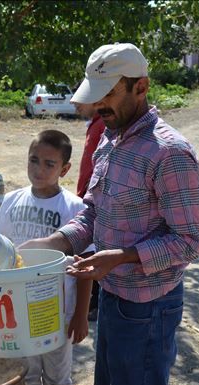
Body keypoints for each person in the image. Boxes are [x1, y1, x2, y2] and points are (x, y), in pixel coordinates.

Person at [20, 43, 199, 385]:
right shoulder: (110, 138)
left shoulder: (169, 153)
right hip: (114, 302)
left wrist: (121, 257)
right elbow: (93, 212)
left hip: (148, 308)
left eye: (108, 95)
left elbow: (190, 240)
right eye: (95, 96)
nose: (98, 106)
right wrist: (54, 242)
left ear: (141, 87)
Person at [0, 129, 93, 385]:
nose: (39, 170)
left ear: (64, 169)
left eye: (49, 164)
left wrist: (80, 315)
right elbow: (0, 254)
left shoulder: (75, 207)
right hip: (18, 312)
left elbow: (85, 266)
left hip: (56, 314)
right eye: (34, 160)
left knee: (58, 380)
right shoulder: (11, 201)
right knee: (25, 378)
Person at [74, 101, 106, 321]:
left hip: (95, 201)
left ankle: (94, 302)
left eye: (81, 99)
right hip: (87, 197)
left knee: (93, 251)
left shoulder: (104, 125)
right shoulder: (95, 124)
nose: (74, 103)